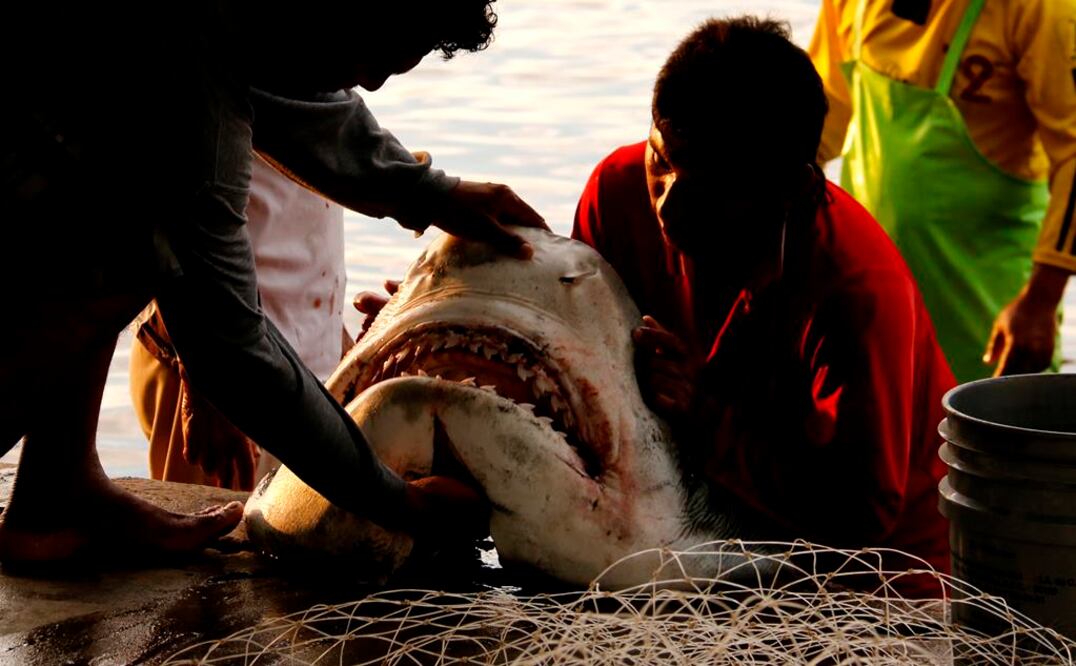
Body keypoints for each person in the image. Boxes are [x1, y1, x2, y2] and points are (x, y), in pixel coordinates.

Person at [0, 0, 544, 566]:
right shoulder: (178, 55)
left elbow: (287, 92)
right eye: (375, 58)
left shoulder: (235, 28)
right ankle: (57, 493)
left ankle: (58, 487)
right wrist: (402, 502)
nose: (372, 84)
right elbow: (229, 344)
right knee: (127, 239)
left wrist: (431, 192)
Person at [572, 17, 954, 595]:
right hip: (698, 525)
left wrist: (704, 414)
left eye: (707, 182)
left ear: (791, 190)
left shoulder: (853, 287)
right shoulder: (618, 192)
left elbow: (861, 517)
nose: (669, 202)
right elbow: (576, 350)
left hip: (883, 576)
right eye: (665, 159)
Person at [808, 0, 1076, 382]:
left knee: (982, 429)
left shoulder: (1040, 10)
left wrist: (1041, 300)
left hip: (986, 314)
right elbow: (822, 110)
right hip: (869, 298)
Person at [129, 155, 347, 490]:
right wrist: (204, 380)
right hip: (216, 355)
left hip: (302, 354)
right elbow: (167, 190)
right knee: (212, 524)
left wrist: (338, 335)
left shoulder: (327, 109)